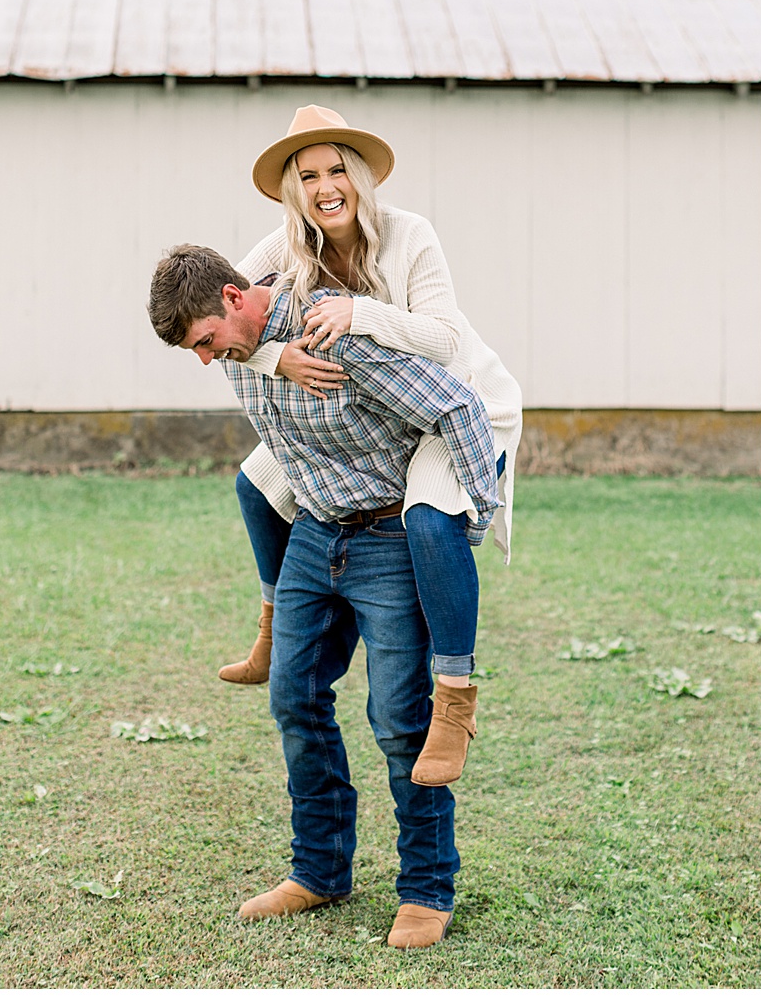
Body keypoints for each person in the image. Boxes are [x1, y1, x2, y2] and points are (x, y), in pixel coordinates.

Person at [147, 243, 500, 950]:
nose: (207, 361)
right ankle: (319, 872)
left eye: (206, 343)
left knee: (401, 719)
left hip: (389, 540)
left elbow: (457, 406)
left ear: (232, 299)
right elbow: (255, 340)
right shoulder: (247, 344)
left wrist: (472, 516)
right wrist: (265, 357)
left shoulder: (330, 335)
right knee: (294, 698)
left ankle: (427, 889)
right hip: (314, 534)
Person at [216, 105, 522, 789]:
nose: (326, 187)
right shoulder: (289, 241)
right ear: (294, 189)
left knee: (425, 516)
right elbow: (226, 305)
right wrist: (279, 362)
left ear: (357, 175)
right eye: (309, 175)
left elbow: (444, 340)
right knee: (255, 482)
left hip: (460, 403)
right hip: (386, 415)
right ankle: (272, 622)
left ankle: (455, 694)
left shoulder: (410, 234)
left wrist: (360, 311)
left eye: (336, 170)